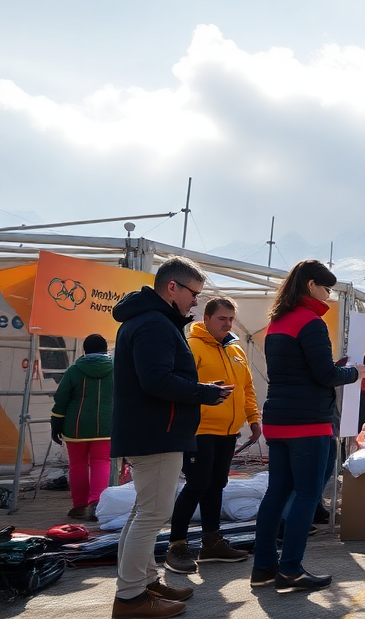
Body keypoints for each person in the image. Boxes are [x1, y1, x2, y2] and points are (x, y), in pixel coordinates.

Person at [109, 256, 231, 618]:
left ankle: (143, 582)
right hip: (156, 432)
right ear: (172, 287)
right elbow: (156, 380)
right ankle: (130, 597)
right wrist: (203, 393)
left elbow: (155, 377)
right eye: (194, 293)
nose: (196, 301)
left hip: (150, 430)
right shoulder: (154, 324)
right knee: (151, 514)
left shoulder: (148, 320)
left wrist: (197, 389)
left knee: (142, 512)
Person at [252, 260, 359, 594]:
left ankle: (263, 567)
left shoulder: (278, 322)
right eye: (326, 289)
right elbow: (324, 376)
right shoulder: (311, 323)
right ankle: (291, 569)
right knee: (307, 495)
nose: (328, 296)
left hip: (279, 418)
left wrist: (332, 368)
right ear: (311, 285)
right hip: (308, 422)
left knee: (277, 493)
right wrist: (354, 372)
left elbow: (300, 370)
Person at [166, 297, 260, 575]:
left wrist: (253, 418)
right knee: (196, 484)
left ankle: (211, 542)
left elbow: (247, 387)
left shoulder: (235, 349)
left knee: (216, 484)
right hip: (199, 429)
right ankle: (177, 545)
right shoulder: (190, 346)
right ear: (206, 319)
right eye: (222, 319)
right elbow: (180, 386)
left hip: (228, 431)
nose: (228, 324)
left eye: (231, 319)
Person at [50, 333, 114, 521]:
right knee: (101, 462)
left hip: (75, 427)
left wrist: (56, 423)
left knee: (77, 465)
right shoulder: (116, 369)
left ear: (84, 350)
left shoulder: (74, 370)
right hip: (105, 426)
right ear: (105, 349)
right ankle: (96, 504)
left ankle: (79, 506)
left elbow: (61, 399)